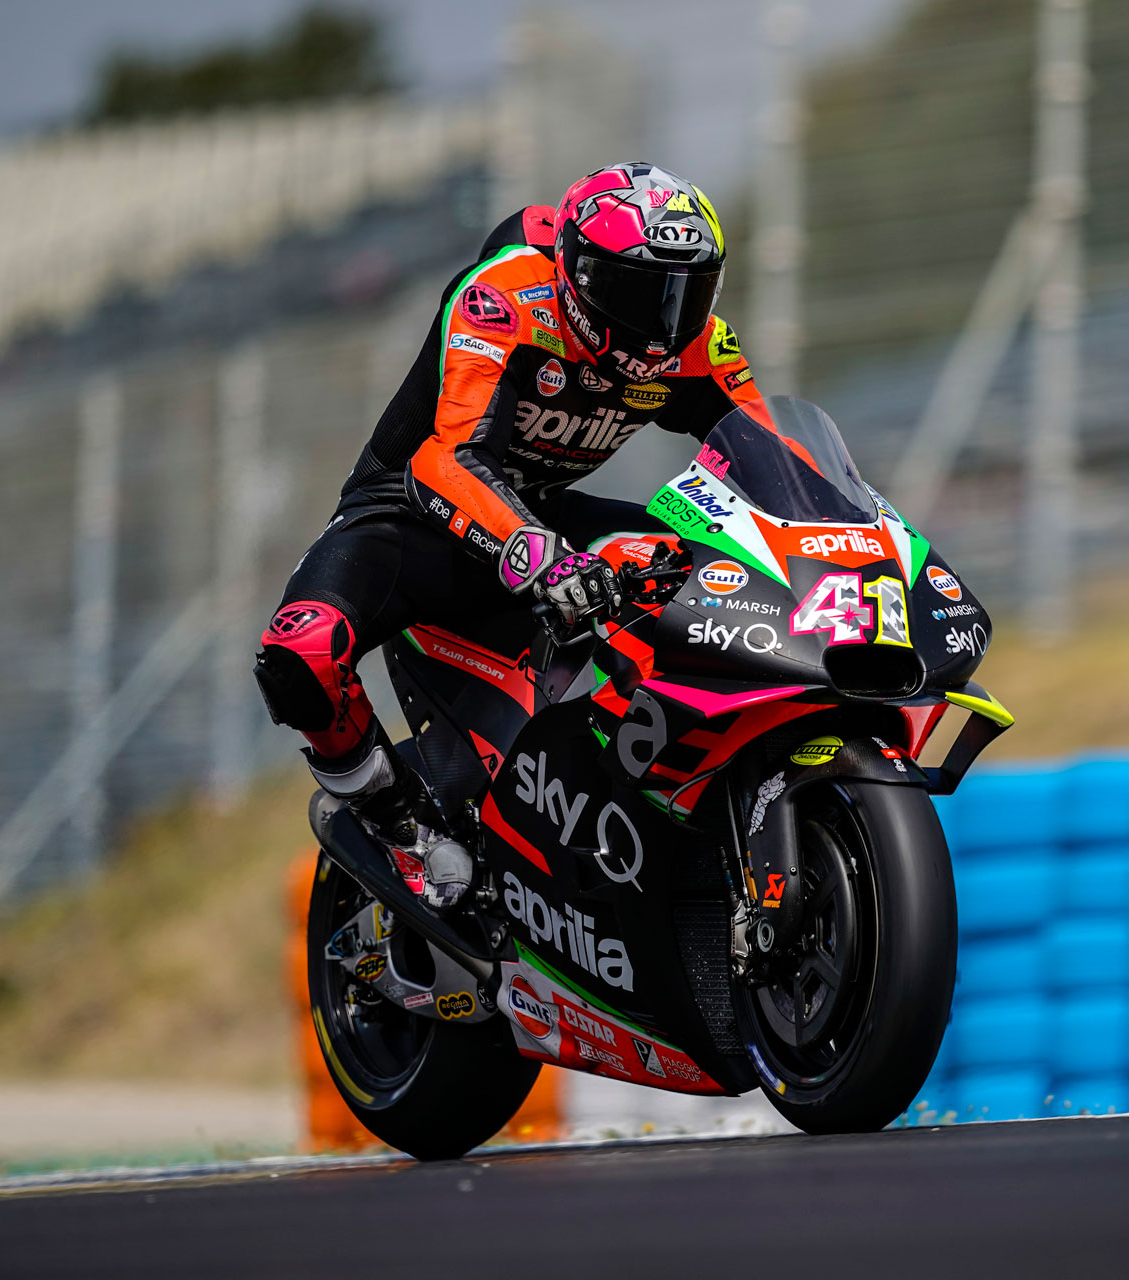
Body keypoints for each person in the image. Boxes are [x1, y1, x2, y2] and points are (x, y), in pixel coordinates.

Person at [253, 162, 765, 910]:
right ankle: (393, 824)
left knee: (711, 568)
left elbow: (779, 459)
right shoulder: (505, 298)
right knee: (299, 654)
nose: (665, 323)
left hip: (547, 521)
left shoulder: (696, 344)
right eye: (640, 292)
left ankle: (681, 798)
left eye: (688, 294)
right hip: (411, 519)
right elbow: (444, 459)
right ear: (580, 275)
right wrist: (541, 560)